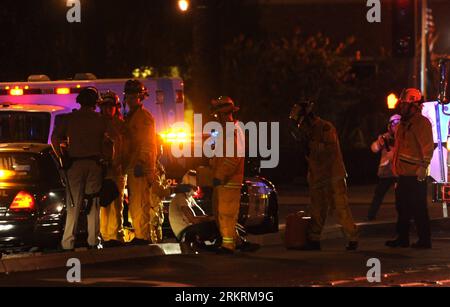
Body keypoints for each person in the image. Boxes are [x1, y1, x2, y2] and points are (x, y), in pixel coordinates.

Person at [288, 100, 359, 251]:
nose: (300, 127)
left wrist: (311, 144)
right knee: (317, 209)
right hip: (317, 176)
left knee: (341, 208)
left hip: (334, 175)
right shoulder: (307, 132)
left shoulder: (325, 127)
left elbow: (329, 151)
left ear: (307, 118)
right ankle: (314, 239)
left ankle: (353, 237)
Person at [51, 87, 113, 251]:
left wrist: (61, 157)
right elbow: (109, 143)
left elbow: (54, 137)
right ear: (95, 103)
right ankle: (93, 241)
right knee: (94, 203)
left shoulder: (70, 118)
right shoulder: (100, 120)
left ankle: (67, 243)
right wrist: (107, 161)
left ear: (79, 102)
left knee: (74, 205)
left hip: (74, 165)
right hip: (94, 165)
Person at [386, 88, 434, 249]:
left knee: (419, 209)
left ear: (413, 105)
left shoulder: (421, 123)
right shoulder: (402, 125)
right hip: (403, 175)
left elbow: (427, 147)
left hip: (415, 175)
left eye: (405, 105)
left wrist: (423, 167)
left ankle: (424, 240)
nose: (401, 108)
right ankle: (402, 238)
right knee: (402, 209)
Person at [209, 96, 246, 254]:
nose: (216, 118)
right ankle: (234, 240)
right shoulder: (224, 130)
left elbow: (233, 156)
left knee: (226, 213)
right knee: (220, 212)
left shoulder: (233, 130)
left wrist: (220, 174)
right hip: (221, 180)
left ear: (224, 113)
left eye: (217, 115)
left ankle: (228, 245)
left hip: (228, 180)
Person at [123, 79, 157, 245]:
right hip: (133, 165)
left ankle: (143, 236)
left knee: (141, 203)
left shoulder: (143, 117)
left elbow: (147, 143)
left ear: (140, 97)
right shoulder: (132, 116)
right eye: (128, 96)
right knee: (136, 203)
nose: (129, 99)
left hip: (141, 167)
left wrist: (141, 162)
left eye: (133, 96)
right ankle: (140, 234)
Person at [98, 91, 127, 248]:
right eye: (105, 107)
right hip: (102, 170)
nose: (108, 110)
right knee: (103, 204)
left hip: (117, 170)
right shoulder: (98, 123)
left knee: (117, 203)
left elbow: (125, 146)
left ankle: (116, 235)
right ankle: (104, 235)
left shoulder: (121, 125)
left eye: (111, 106)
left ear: (116, 107)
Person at [367, 114, 401, 221]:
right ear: (390, 126)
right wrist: (379, 143)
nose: (396, 127)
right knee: (379, 194)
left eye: (398, 124)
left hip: (399, 172)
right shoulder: (385, 137)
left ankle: (403, 217)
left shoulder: (404, 138)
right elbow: (374, 148)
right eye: (394, 124)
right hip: (386, 172)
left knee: (401, 196)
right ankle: (371, 215)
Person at [149, 136, 171, 243]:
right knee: (151, 232)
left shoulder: (158, 165)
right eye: (159, 146)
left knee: (157, 228)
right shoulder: (151, 166)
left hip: (157, 205)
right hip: (151, 205)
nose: (161, 149)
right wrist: (171, 190)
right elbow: (157, 188)